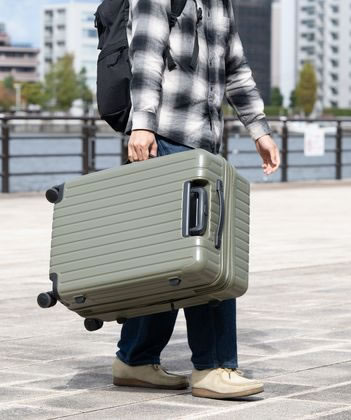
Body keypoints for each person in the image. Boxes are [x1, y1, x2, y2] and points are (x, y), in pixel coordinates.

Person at [112, 0, 281, 400]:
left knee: (164, 259)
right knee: (207, 254)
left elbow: (235, 67)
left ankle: (135, 359)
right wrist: (142, 125)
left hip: (203, 145)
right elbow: (146, 56)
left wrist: (259, 129)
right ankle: (214, 366)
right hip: (164, 137)